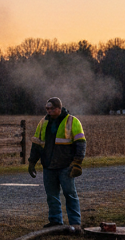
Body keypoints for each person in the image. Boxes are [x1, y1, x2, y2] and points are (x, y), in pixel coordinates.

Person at [27, 97, 86, 227]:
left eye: (51, 108)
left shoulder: (72, 121)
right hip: (48, 166)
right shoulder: (43, 122)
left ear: (59, 108)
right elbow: (37, 143)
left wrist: (77, 162)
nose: (49, 111)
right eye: (47, 108)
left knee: (70, 195)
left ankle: (75, 224)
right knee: (52, 196)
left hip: (66, 166)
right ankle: (55, 221)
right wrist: (32, 162)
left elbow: (81, 144)